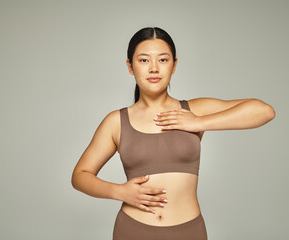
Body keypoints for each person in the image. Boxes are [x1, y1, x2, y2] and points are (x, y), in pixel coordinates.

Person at [71, 27, 275, 240]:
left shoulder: (193, 111)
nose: (153, 68)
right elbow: (80, 176)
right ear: (130, 67)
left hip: (189, 231)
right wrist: (119, 192)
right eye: (143, 60)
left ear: (174, 65)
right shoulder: (116, 121)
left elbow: (264, 111)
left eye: (163, 60)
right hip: (133, 230)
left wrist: (199, 122)